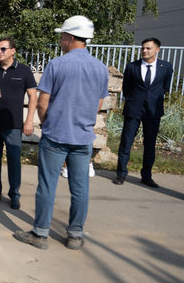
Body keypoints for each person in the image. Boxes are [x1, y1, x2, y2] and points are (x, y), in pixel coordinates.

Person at [14, 16, 108, 250]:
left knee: (47, 185)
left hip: (56, 135)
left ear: (71, 37)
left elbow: (43, 103)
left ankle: (40, 233)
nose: (60, 40)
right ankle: (75, 235)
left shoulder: (57, 65)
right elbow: (98, 105)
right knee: (80, 187)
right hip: (83, 137)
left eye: (62, 36)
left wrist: (47, 124)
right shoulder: (100, 68)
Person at [0, 37, 37, 210]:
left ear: (13, 50)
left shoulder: (24, 71)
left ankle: (14, 194)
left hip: (14, 125)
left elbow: (33, 97)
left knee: (14, 161)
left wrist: (29, 120)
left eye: (3, 49)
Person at [113, 37, 173, 188]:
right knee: (126, 142)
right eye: (143, 48)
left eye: (148, 48)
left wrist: (151, 99)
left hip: (153, 111)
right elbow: (126, 88)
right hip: (134, 109)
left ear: (157, 50)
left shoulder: (165, 67)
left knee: (150, 144)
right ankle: (121, 174)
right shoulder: (132, 67)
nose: (144, 51)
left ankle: (146, 176)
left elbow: (164, 87)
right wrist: (135, 100)